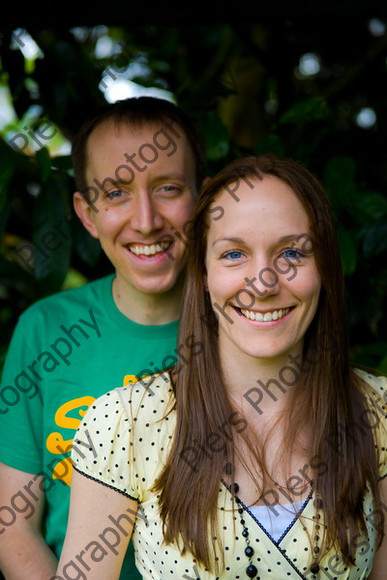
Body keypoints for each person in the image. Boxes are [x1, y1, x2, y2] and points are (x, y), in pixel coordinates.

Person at [57, 153, 386, 579]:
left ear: (324, 268)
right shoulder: (123, 423)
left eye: (291, 252)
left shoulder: (377, 410)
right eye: (234, 254)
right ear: (203, 272)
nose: (264, 283)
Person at [0, 96, 208, 579]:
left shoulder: (250, 327)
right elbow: (13, 525)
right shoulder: (46, 330)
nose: (146, 220)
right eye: (115, 193)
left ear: (204, 199)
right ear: (87, 214)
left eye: (169, 188)